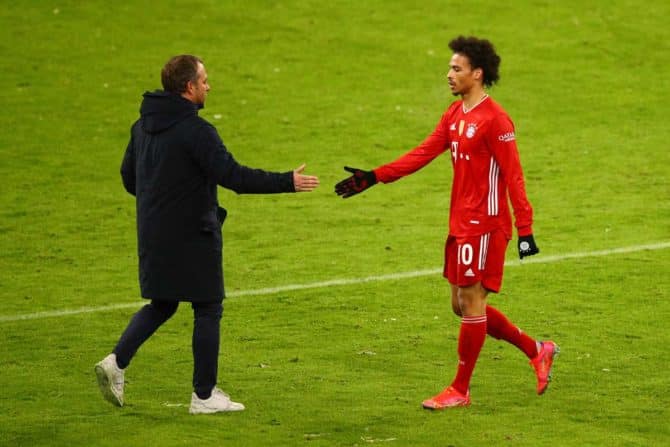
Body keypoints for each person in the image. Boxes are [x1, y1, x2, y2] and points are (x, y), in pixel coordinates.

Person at [335, 36, 558, 409]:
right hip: (460, 223)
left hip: (486, 224)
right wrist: (376, 176)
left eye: (457, 69)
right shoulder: (454, 116)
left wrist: (526, 229)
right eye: (450, 68)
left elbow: (514, 175)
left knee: (472, 303)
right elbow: (423, 152)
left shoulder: (496, 119)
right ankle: (537, 350)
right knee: (461, 306)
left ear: (477, 74)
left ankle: (460, 390)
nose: (449, 75)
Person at [95, 55, 319, 414]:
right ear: (188, 87)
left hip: (153, 233)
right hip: (193, 234)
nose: (208, 86)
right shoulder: (196, 131)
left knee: (163, 303)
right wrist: (286, 182)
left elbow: (129, 178)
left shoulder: (142, 126)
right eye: (204, 80)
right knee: (208, 307)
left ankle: (116, 362)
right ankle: (203, 396)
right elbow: (234, 177)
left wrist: (163, 202)